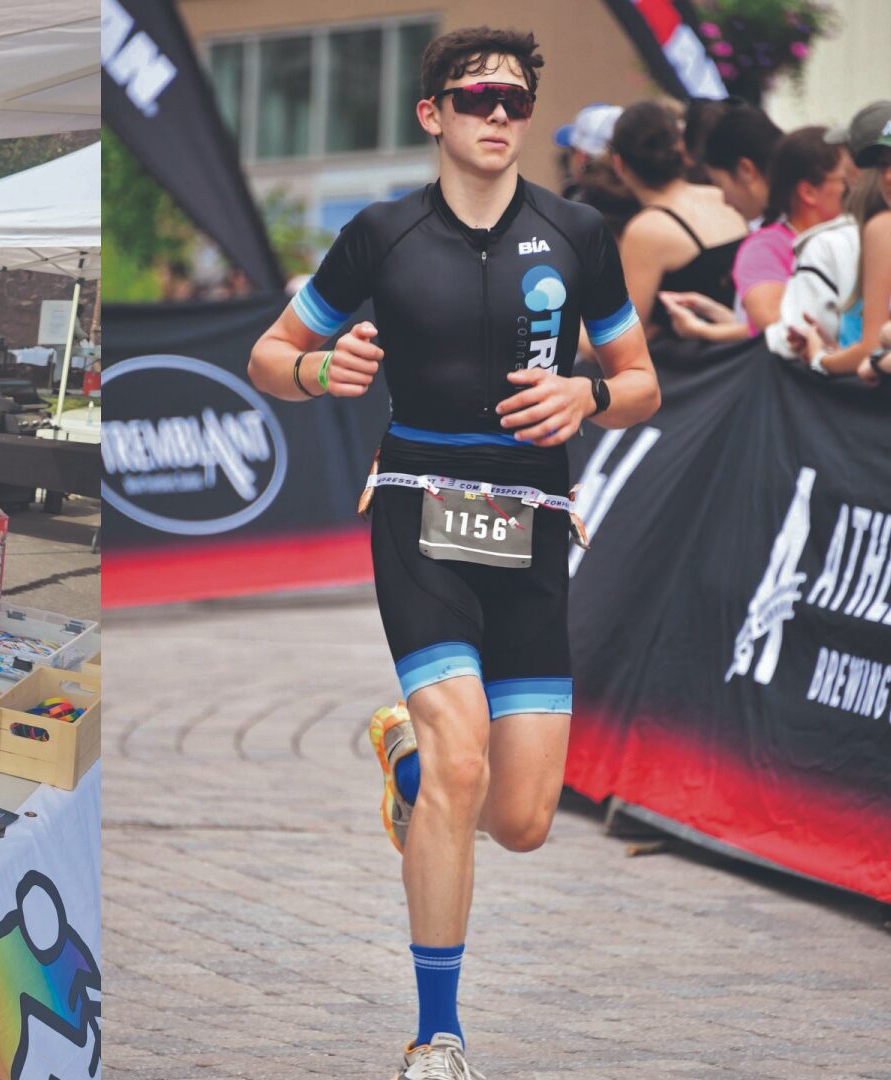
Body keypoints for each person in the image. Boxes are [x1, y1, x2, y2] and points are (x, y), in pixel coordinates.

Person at [249, 27, 657, 1080]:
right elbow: (270, 353)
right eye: (476, 96)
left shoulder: (576, 231)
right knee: (463, 770)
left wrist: (588, 394)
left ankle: (404, 755)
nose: (496, 115)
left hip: (531, 524)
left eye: (515, 101)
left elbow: (640, 381)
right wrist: (316, 374)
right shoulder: (380, 233)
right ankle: (437, 1036)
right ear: (432, 112)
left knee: (518, 821)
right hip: (419, 510)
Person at [663, 122, 848, 343]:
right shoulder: (765, 248)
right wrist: (706, 330)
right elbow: (774, 327)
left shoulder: (854, 234)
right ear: (808, 192)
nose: (857, 190)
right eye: (847, 182)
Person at [610, 101, 749, 340]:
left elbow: (623, 337)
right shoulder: (720, 197)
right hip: (746, 348)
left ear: (619, 163)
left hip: (698, 366)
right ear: (681, 147)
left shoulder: (648, 230)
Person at [790, 112, 891, 381]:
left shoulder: (882, 227)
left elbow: (873, 349)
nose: (888, 176)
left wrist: (820, 359)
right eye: (882, 165)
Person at [758, 127, 862, 364]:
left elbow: (787, 334)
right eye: (845, 181)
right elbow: (781, 327)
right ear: (807, 192)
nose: (852, 190)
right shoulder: (769, 246)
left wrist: (825, 357)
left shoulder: (831, 242)